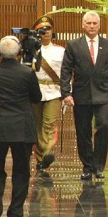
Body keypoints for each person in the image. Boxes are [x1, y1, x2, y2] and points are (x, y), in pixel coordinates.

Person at [0, 35, 42, 217]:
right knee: (21, 171)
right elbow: (36, 97)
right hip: (22, 128)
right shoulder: (27, 74)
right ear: (18, 53)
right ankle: (15, 213)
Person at [60, 11, 108, 181]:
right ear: (83, 25)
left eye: (95, 23)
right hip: (81, 93)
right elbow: (65, 71)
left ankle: (99, 165)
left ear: (99, 25)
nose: (92, 26)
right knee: (83, 131)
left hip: (103, 94)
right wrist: (66, 93)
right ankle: (87, 166)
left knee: (103, 126)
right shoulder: (74, 45)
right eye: (89, 23)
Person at [31, 16, 65, 172]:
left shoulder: (61, 51)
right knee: (37, 125)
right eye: (42, 30)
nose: (46, 33)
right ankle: (41, 160)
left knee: (49, 124)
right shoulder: (30, 50)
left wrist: (67, 91)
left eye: (48, 29)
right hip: (35, 91)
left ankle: (45, 156)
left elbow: (67, 73)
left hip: (54, 91)